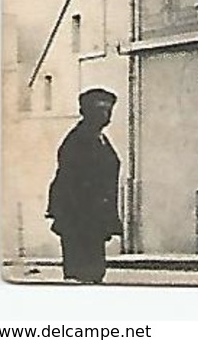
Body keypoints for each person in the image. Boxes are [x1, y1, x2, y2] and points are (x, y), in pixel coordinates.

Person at [46, 88, 123, 284]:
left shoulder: (101, 140)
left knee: (95, 272)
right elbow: (69, 183)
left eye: (108, 110)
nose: (106, 115)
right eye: (100, 109)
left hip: (94, 221)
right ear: (86, 111)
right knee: (81, 274)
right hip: (80, 221)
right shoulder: (77, 141)